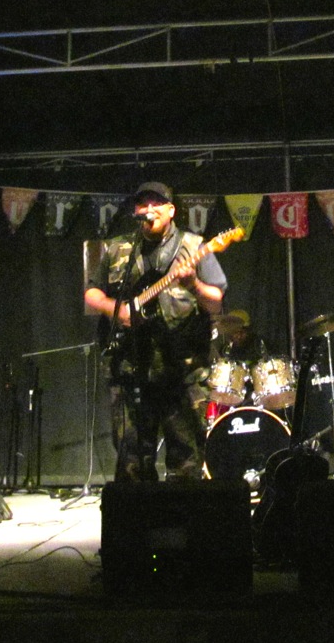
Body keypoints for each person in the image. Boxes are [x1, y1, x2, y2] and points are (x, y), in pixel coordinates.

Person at [85, 181, 227, 482]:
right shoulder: (117, 248)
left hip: (183, 370)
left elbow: (216, 302)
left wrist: (193, 284)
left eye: (157, 203)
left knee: (186, 458)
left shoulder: (195, 246)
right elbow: (92, 293)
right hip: (130, 366)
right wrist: (118, 311)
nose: (149, 209)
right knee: (132, 460)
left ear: (171, 210)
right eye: (143, 204)